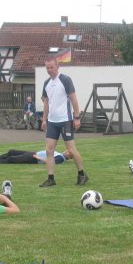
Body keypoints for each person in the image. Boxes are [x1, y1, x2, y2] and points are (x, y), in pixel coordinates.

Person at [39, 58, 88, 187]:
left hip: (65, 120)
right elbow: (46, 102)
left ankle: (82, 174)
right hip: (52, 122)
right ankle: (51, 179)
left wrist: (76, 118)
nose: (49, 70)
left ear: (57, 66)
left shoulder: (65, 80)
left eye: (52, 67)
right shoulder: (46, 83)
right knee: (49, 151)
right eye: (47, 68)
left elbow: (73, 99)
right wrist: (44, 119)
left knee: (71, 150)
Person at [0, 149, 72, 165]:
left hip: (34, 158)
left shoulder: (60, 158)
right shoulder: (60, 155)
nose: (66, 150)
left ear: (69, 156)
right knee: (12, 152)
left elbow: (51, 162)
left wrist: (38, 158)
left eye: (68, 152)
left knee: (13, 159)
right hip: (34, 154)